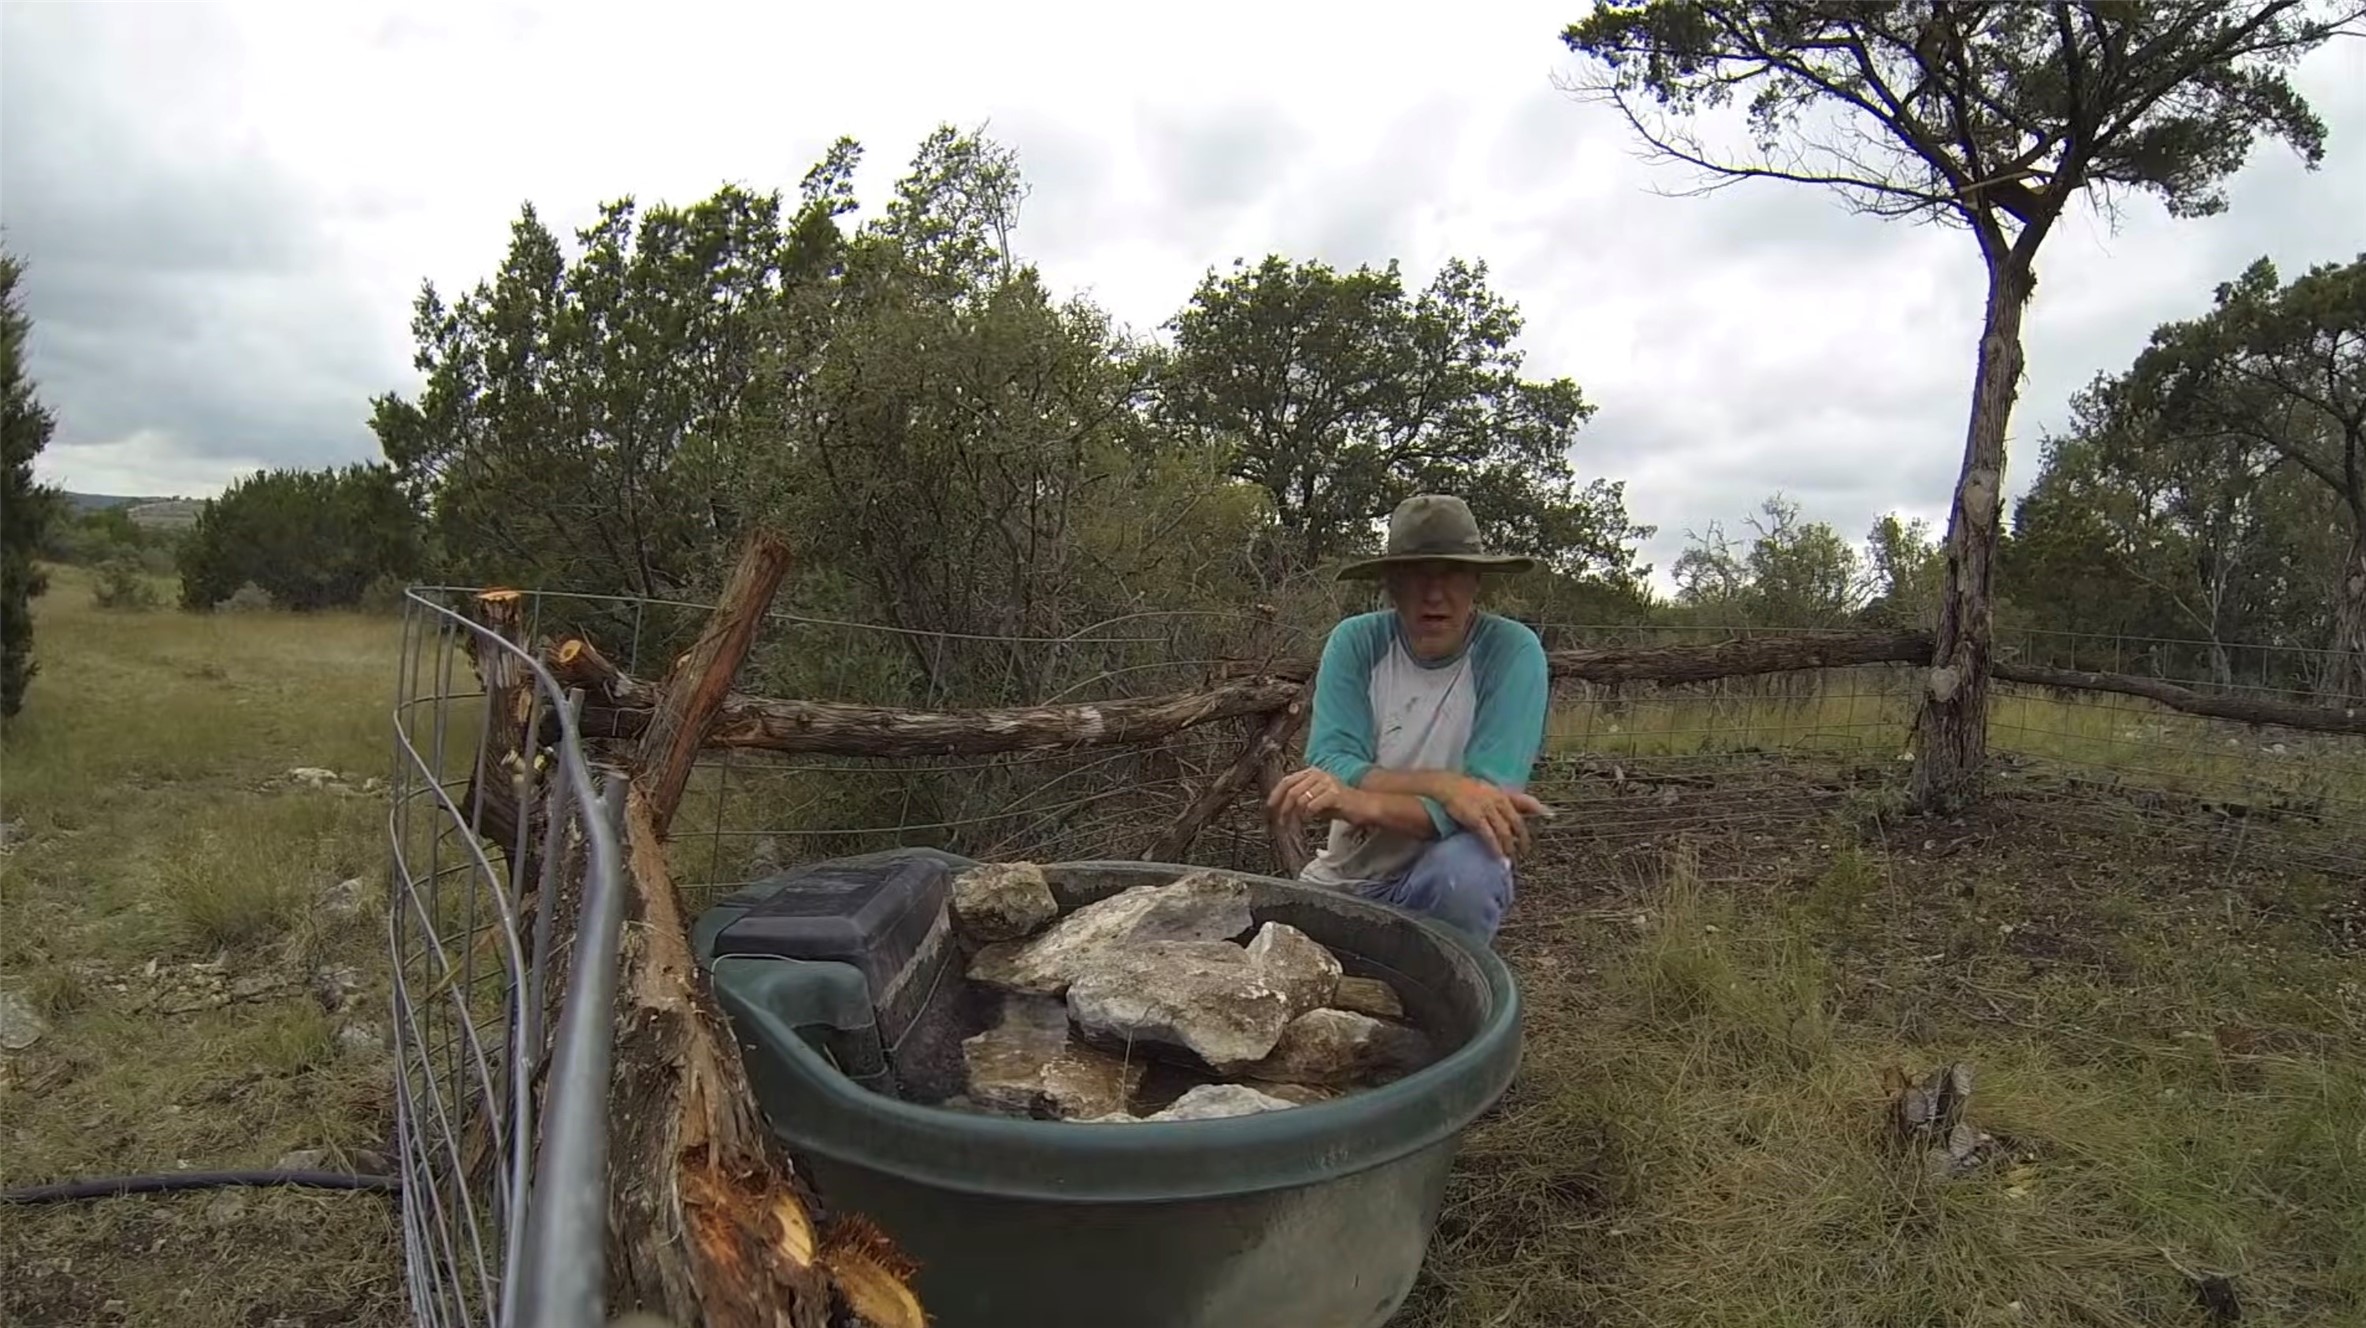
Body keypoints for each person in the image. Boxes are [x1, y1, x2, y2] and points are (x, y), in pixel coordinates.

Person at [1267, 493, 1550, 945]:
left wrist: (1360, 803)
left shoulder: (1511, 651)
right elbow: (1332, 758)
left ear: (1477, 581)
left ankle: (1444, 980)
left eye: (1452, 573)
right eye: (1416, 574)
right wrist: (1446, 787)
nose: (1434, 594)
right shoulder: (1356, 641)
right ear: (1391, 584)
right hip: (1350, 875)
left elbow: (1487, 803)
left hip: (1442, 877)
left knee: (1470, 869)